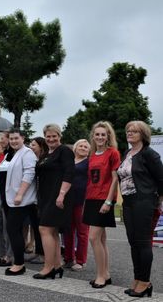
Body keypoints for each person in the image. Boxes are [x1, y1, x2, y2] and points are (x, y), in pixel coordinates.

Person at [118, 121, 163, 297]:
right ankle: (137, 278)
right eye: (128, 131)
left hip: (144, 201)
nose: (129, 133)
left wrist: (157, 200)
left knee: (143, 242)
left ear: (143, 135)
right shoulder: (127, 153)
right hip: (128, 202)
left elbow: (161, 179)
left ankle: (145, 282)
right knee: (133, 242)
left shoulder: (149, 154)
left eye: (134, 131)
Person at [34, 124, 75, 280]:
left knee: (44, 229)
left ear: (59, 136)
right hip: (45, 197)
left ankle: (48, 267)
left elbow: (69, 173)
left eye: (54, 136)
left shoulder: (64, 151)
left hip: (58, 196)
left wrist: (62, 194)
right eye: (48, 136)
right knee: (52, 232)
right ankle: (57, 266)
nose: (51, 139)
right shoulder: (46, 155)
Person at [82, 121, 120, 288]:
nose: (99, 137)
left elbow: (115, 179)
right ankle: (106, 274)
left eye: (103, 134)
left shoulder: (113, 153)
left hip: (103, 199)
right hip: (91, 198)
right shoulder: (91, 155)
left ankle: (100, 276)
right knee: (102, 239)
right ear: (93, 136)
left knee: (93, 238)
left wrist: (109, 201)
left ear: (108, 136)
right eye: (97, 134)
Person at [3, 129, 38, 276]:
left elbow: (29, 174)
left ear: (23, 138)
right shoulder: (16, 153)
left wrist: (20, 194)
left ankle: (19, 264)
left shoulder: (27, 153)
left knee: (13, 229)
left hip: (23, 200)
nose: (13, 141)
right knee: (13, 230)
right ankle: (18, 262)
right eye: (11, 139)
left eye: (16, 138)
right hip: (14, 199)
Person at [64, 139, 90, 272]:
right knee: (68, 230)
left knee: (82, 232)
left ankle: (80, 260)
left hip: (82, 200)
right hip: (68, 200)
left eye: (86, 147)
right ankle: (69, 258)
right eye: (81, 145)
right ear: (75, 147)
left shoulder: (89, 162)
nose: (83, 148)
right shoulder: (68, 161)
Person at [0, 130, 14, 267]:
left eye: (3, 138)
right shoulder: (3, 155)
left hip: (8, 197)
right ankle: (1, 254)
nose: (1, 140)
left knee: (7, 228)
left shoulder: (14, 154)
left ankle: (9, 256)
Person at [23, 137, 47, 264]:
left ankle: (43, 254)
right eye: (30, 144)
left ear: (41, 147)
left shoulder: (43, 160)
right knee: (35, 226)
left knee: (41, 228)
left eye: (33, 145)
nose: (30, 147)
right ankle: (38, 252)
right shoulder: (33, 159)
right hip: (33, 198)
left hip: (41, 198)